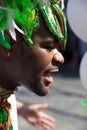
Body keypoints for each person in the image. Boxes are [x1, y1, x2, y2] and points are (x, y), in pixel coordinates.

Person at [0, 0, 67, 130]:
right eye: (48, 46)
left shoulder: (6, 97)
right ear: (9, 44)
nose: (60, 58)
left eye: (58, 48)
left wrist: (20, 108)